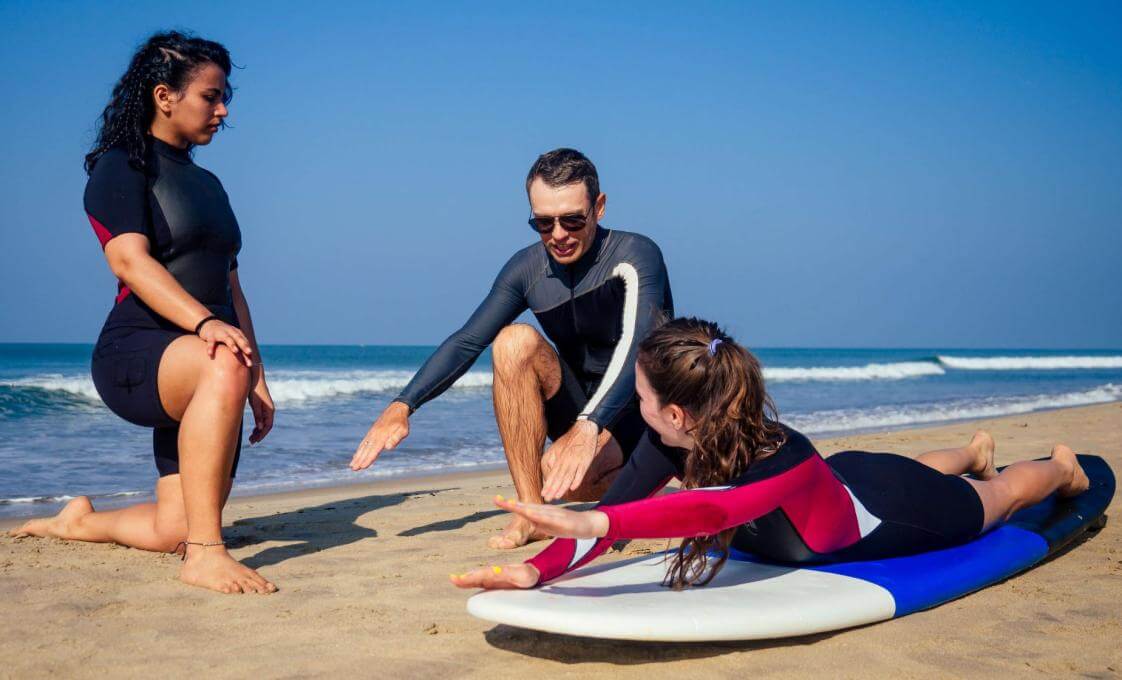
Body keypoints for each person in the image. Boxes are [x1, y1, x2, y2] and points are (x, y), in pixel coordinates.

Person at [451, 317, 1090, 590]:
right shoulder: (670, 440)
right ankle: (973, 448)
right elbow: (617, 521)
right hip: (843, 481)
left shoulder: (774, 466)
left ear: (676, 413)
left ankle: (1060, 465)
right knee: (905, 465)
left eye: (638, 395)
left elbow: (707, 514)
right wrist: (542, 567)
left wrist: (590, 518)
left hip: (887, 516)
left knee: (996, 497)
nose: (633, 405)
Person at [10, 32, 277, 595]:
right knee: (220, 364)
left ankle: (76, 522)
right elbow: (130, 262)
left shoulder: (209, 184)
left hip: (208, 359)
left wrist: (256, 373)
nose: (223, 109)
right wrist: (208, 328)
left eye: (224, 96)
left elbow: (232, 284)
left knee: (173, 527)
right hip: (137, 353)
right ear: (164, 95)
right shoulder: (120, 167)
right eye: (211, 96)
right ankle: (206, 556)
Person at [351, 148, 674, 549]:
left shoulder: (634, 254)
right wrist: (403, 405)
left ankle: (655, 468)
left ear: (600, 207)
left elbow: (637, 346)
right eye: (543, 222)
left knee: (579, 484)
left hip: (640, 411)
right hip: (579, 410)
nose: (558, 234)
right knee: (512, 341)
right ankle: (530, 512)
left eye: (572, 219)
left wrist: (589, 427)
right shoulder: (526, 270)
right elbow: (468, 339)